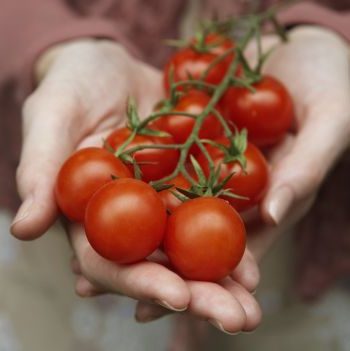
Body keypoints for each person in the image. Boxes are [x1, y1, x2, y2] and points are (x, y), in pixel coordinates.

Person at [0, 0, 349, 350]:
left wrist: (337, 36)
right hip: (54, 265)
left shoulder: (176, 164)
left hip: (306, 255)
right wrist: (53, 45)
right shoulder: (164, 167)